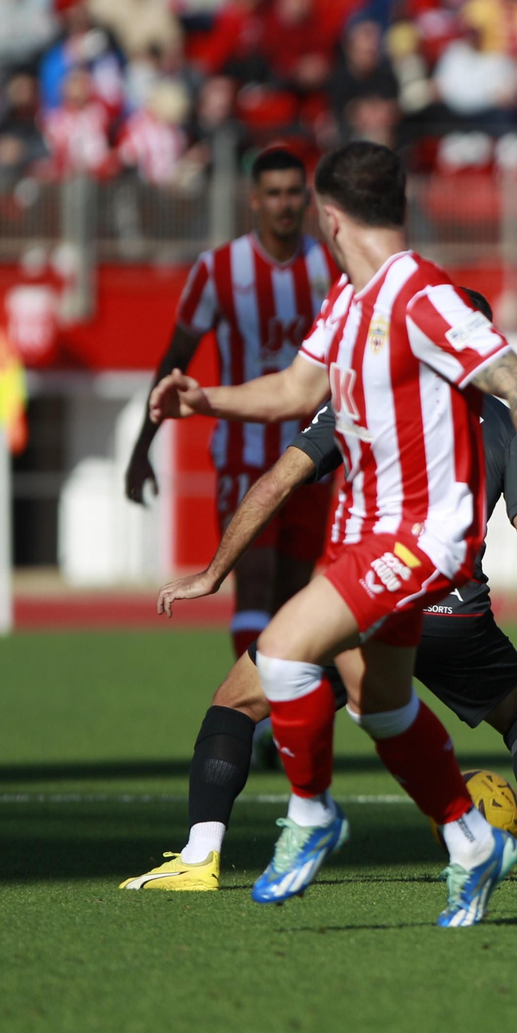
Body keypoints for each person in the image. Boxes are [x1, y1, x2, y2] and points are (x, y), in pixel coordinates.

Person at [147, 141, 517, 927]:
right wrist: (207, 402)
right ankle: (473, 844)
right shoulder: (348, 300)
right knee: (382, 707)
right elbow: (294, 390)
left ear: (330, 216)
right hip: (366, 540)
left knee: (285, 651)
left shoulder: (423, 296)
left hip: (418, 540)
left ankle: (311, 813)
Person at [124, 149, 336, 683]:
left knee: (292, 593)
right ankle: (261, 718)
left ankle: (277, 704)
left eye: (294, 193)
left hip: (315, 456)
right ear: (254, 201)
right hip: (245, 454)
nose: (285, 204)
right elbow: (175, 360)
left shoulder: (331, 267)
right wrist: (141, 448)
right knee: (255, 580)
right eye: (274, 194)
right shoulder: (218, 270)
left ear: (306, 199)